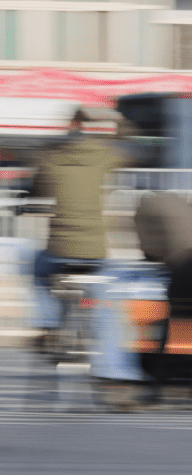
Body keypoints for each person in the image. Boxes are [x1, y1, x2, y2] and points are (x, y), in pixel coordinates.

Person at [28, 108, 147, 386]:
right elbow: (135, 149)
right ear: (89, 127)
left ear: (68, 126)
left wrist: (32, 198)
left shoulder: (50, 156)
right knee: (107, 304)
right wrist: (121, 122)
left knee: (34, 264)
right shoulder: (103, 154)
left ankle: (48, 324)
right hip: (94, 252)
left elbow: (36, 190)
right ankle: (114, 371)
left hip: (58, 251)